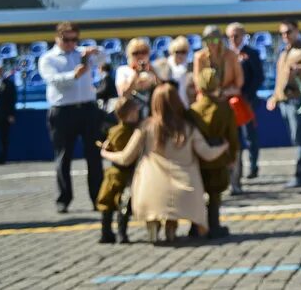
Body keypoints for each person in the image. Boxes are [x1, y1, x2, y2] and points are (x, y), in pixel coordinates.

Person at [100, 83, 228, 244]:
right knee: (176, 203)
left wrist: (106, 153)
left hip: (149, 190)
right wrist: (224, 146)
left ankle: (152, 226)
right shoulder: (188, 128)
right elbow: (208, 154)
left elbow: (126, 158)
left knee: (144, 196)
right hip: (186, 192)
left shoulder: (146, 126)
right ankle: (171, 228)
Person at [38, 22, 105, 213]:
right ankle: (63, 199)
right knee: (63, 157)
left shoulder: (82, 54)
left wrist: (95, 51)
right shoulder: (48, 58)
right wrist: (73, 75)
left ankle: (98, 198)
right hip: (62, 111)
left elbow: (103, 60)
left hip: (88, 109)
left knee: (94, 156)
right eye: (66, 40)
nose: (70, 44)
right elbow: (53, 80)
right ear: (57, 38)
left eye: (74, 39)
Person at [266, 19, 301, 188]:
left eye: (288, 32)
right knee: (299, 137)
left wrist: (300, 70)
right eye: (282, 33)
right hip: (284, 100)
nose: (285, 36)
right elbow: (280, 79)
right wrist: (275, 97)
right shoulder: (283, 53)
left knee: (299, 138)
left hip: (297, 100)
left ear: (296, 31)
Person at [188, 67, 239, 239]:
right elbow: (232, 136)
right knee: (215, 194)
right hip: (218, 158)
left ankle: (196, 227)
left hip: (197, 158)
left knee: (197, 194)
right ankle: (214, 226)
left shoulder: (192, 110)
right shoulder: (225, 109)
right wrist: (232, 156)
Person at [95, 97, 140, 244]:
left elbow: (109, 145)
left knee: (106, 202)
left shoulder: (113, 130)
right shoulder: (135, 131)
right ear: (129, 113)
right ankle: (121, 234)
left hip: (113, 172)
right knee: (123, 203)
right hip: (127, 173)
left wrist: (105, 150)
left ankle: (105, 232)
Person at [226, 22, 263, 184]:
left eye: (236, 35)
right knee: (234, 136)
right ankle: (236, 171)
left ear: (243, 35)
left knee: (250, 135)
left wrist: (247, 94)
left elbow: (259, 77)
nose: (234, 39)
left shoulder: (251, 54)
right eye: (231, 36)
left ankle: (253, 166)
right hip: (230, 102)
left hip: (247, 100)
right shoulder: (226, 55)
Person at [115, 38, 161, 118]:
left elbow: (162, 90)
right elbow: (123, 93)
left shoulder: (153, 69)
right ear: (129, 55)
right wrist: (136, 73)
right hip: (131, 115)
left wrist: (154, 72)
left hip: (151, 114)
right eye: (135, 53)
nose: (140, 56)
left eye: (144, 52)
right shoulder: (123, 70)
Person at [193, 25, 243, 98]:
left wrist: (224, 92)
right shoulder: (199, 57)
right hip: (207, 95)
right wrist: (211, 93)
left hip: (227, 94)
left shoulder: (231, 55)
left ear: (220, 40)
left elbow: (239, 82)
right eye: (209, 40)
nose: (212, 43)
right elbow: (197, 81)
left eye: (215, 40)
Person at [153, 36, 193, 108]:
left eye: (183, 52)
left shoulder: (191, 67)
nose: (180, 55)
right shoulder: (162, 65)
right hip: (168, 106)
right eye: (177, 52)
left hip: (186, 106)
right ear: (172, 52)